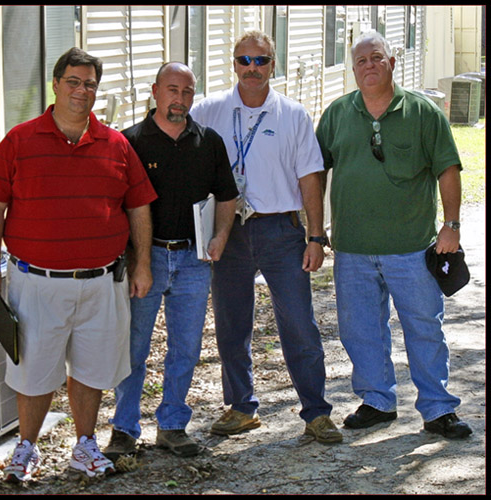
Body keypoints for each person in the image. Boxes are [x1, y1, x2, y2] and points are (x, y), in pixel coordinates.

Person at [0, 47, 157, 483]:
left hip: (101, 282)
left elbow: (138, 208)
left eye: (90, 84)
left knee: (92, 368)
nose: (82, 91)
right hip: (35, 281)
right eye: (74, 82)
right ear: (56, 84)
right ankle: (26, 449)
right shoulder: (19, 140)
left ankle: (84, 446)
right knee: (33, 371)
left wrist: (143, 264)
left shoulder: (116, 145)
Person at [315, 31, 472, 439]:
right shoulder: (336, 114)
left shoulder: (422, 112)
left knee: (424, 327)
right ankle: (377, 401)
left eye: (377, 58)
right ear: (353, 69)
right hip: (352, 249)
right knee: (360, 329)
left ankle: (438, 409)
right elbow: (314, 171)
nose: (369, 65)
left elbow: (448, 170)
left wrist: (450, 226)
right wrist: (314, 230)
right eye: (361, 60)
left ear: (392, 63)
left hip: (412, 247)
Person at [190, 31, 342, 444]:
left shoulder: (292, 114)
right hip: (229, 231)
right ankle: (241, 406)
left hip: (281, 230)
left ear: (273, 65)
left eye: (261, 60)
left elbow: (310, 177)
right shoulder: (210, 110)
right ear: (233, 64)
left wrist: (315, 235)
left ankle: (316, 411)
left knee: (298, 323)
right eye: (244, 60)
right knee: (231, 323)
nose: (252, 68)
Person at [104, 62, 238, 459]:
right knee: (134, 347)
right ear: (155, 91)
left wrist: (221, 235)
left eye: (187, 92)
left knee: (185, 346)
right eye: (172, 90)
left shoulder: (209, 142)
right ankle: (124, 429)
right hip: (145, 260)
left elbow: (227, 196)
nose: (179, 99)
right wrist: (132, 259)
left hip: (194, 260)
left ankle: (173, 424)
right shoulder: (130, 142)